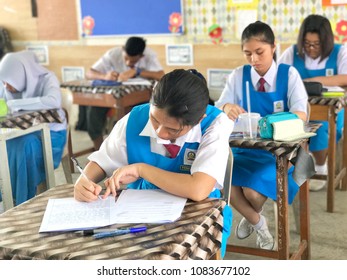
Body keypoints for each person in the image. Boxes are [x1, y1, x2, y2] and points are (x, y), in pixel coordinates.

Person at [74, 69, 233, 257]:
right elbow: (103, 160)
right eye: (154, 119)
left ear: (199, 120)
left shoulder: (215, 124)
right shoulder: (134, 119)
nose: (159, 132)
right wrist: (83, 181)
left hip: (197, 215)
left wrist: (142, 170)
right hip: (137, 214)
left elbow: (198, 189)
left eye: (173, 130)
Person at [215, 21, 308, 250]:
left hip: (277, 153)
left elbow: (301, 114)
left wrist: (270, 123)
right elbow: (219, 107)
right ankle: (259, 223)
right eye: (248, 54)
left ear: (273, 47)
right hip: (243, 150)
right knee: (222, 180)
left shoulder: (289, 74)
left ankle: (251, 215)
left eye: (259, 52)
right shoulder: (239, 75)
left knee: (252, 193)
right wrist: (228, 107)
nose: (254, 60)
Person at [279, 14, 347, 191]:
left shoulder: (340, 52)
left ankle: (320, 165)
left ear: (327, 41)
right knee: (295, 124)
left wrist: (312, 81)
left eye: (316, 44)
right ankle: (298, 166)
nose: (311, 48)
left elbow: (345, 78)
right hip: (298, 108)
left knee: (320, 127)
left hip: (330, 110)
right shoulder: (292, 53)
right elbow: (279, 75)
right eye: (307, 43)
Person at [0, 50, 67, 206]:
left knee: (24, 146)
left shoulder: (46, 78)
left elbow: (53, 101)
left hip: (51, 135)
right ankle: (9, 194)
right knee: (8, 145)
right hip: (18, 133)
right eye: (3, 82)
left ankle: (23, 201)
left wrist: (15, 104)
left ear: (20, 75)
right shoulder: (6, 84)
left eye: (9, 81)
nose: (6, 86)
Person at [80, 36, 165, 150]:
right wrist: (104, 76)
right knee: (93, 113)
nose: (128, 62)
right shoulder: (112, 54)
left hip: (137, 96)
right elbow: (89, 74)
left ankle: (128, 150)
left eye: (133, 61)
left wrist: (137, 71)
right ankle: (99, 151)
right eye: (126, 58)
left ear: (142, 56)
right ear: (122, 50)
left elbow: (161, 75)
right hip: (110, 96)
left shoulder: (149, 55)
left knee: (133, 121)